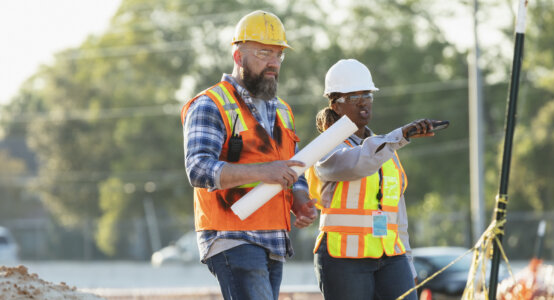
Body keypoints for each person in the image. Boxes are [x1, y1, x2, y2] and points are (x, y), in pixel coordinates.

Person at [180, 10, 318, 300]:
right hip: (231, 236)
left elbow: (291, 169)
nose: (273, 62)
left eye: (279, 55)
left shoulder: (283, 110)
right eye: (264, 52)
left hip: (273, 238)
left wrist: (300, 200)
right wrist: (264, 171)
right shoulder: (211, 104)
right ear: (238, 56)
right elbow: (198, 169)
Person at [307, 59, 435, 300]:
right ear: (336, 105)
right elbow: (358, 163)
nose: (364, 101)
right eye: (354, 97)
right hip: (343, 259)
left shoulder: (387, 150)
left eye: (367, 94)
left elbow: (398, 214)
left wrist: (407, 262)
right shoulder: (326, 149)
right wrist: (401, 135)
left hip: (390, 256)